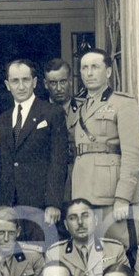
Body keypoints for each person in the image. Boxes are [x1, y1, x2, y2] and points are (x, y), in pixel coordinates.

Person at [69, 48, 139, 250]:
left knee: (120, 250)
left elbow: (133, 155)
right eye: (84, 68)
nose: (89, 73)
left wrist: (123, 197)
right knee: (89, 252)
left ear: (108, 72)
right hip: (83, 191)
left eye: (95, 67)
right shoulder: (79, 106)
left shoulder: (123, 103)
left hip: (111, 193)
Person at [0, 59, 67, 242]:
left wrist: (53, 203)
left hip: (40, 204)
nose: (21, 86)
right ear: (7, 85)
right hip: (9, 204)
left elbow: (58, 160)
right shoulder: (2, 119)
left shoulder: (51, 113)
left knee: (41, 251)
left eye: (25, 80)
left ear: (35, 82)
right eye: (15, 81)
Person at [44, 198, 129, 276]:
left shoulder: (115, 249)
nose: (80, 222)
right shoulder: (54, 253)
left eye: (85, 216)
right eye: (73, 218)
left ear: (96, 220)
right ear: (66, 225)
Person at [43, 58, 80, 201]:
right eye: (53, 83)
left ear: (70, 81)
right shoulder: (38, 113)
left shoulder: (85, 109)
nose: (59, 88)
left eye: (63, 82)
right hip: (49, 181)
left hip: (80, 176)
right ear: (45, 84)